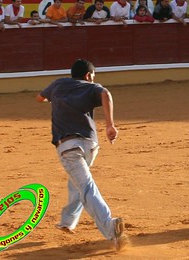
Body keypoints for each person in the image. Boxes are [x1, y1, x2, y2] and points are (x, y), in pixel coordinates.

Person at [35, 59, 128, 251]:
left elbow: (39, 98)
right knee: (77, 182)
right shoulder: (92, 88)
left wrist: (54, 99)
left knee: (85, 187)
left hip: (69, 146)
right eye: (93, 76)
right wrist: (110, 125)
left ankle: (111, 228)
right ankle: (68, 221)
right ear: (88, 75)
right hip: (90, 145)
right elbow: (106, 94)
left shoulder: (59, 84)